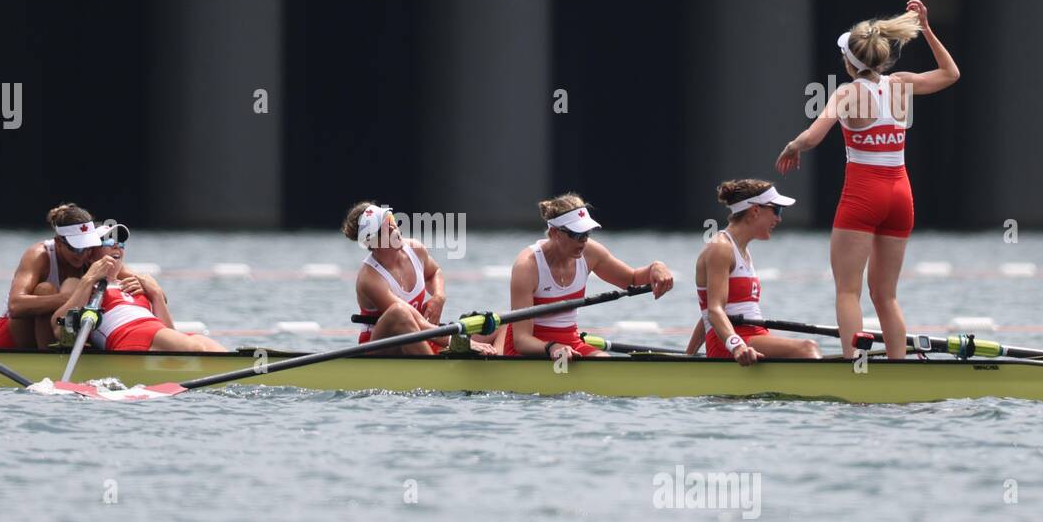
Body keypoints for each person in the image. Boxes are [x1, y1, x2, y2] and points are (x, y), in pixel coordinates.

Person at [776, 0, 959, 358]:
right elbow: (951, 74)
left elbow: (813, 137)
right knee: (886, 295)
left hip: (864, 195)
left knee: (848, 291)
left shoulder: (847, 92)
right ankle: (897, 366)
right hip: (901, 195)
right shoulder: (902, 84)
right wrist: (927, 29)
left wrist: (792, 146)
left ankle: (855, 366)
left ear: (849, 62)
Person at [505, 193, 672, 360]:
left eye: (587, 233)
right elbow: (521, 340)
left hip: (571, 343)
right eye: (577, 234)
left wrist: (656, 267)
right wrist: (552, 347)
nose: (583, 241)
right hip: (530, 350)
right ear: (555, 233)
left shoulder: (590, 253)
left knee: (606, 362)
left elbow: (632, 279)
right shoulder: (527, 266)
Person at [686, 180, 821, 364]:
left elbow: (708, 315)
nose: (779, 219)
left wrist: (687, 358)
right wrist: (737, 346)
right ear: (755, 211)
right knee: (807, 348)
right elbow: (714, 310)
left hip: (752, 339)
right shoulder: (720, 248)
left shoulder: (743, 251)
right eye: (777, 210)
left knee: (804, 348)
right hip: (731, 343)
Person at [341, 201, 497, 355]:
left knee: (500, 324)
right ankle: (435, 375)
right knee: (399, 313)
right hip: (379, 347)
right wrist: (463, 342)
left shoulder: (415, 249)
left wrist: (438, 297)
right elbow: (416, 321)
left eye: (391, 219)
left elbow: (435, 272)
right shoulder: (369, 278)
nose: (395, 226)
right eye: (387, 225)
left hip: (419, 335)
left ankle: (495, 359)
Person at [52, 225, 227, 352]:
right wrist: (90, 278)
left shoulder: (131, 283)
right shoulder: (79, 282)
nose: (116, 245)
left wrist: (156, 294)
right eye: (108, 241)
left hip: (154, 332)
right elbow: (58, 327)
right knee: (195, 347)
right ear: (91, 254)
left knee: (209, 345)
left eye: (121, 243)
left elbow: (168, 330)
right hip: (125, 336)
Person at [0, 203, 103, 350]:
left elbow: (126, 274)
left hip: (57, 335)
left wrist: (140, 283)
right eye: (77, 248)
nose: (84, 254)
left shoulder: (92, 255)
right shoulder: (39, 255)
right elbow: (15, 306)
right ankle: (49, 358)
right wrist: (70, 298)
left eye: (89, 246)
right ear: (58, 242)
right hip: (11, 339)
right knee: (45, 289)